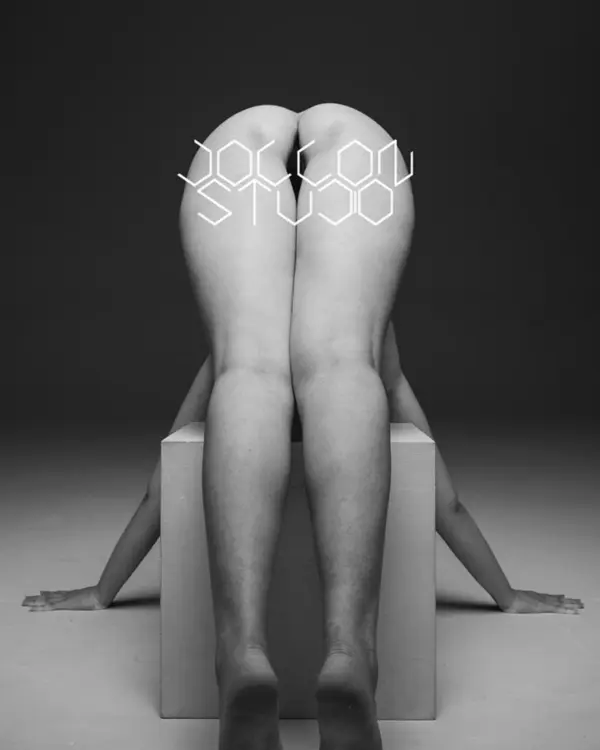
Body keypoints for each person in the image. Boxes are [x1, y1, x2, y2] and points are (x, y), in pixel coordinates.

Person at [22, 104, 584, 750]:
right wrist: (506, 596)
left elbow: (162, 490)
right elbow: (444, 498)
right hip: (326, 147)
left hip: (252, 150)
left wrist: (104, 590)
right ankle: (349, 652)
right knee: (340, 363)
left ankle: (242, 650)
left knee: (249, 368)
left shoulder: (233, 374)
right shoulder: (376, 364)